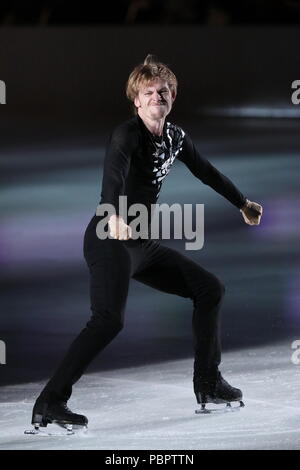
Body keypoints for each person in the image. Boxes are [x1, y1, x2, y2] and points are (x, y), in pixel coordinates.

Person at [29, 54, 262, 431]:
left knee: (209, 289)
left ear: (173, 97)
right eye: (149, 92)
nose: (158, 96)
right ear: (136, 101)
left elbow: (207, 172)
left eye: (164, 90)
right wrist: (113, 213)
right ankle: (50, 402)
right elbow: (113, 174)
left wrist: (242, 203)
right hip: (110, 236)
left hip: (141, 243)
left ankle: (208, 384)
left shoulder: (175, 137)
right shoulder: (127, 134)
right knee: (108, 321)